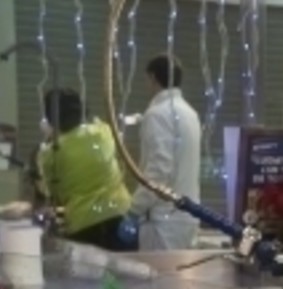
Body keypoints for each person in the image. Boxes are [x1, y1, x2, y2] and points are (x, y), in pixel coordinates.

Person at [35, 89, 134, 251]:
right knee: (128, 271)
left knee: (90, 275)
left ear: (51, 120)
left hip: (84, 224)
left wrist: (50, 137)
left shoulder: (50, 154)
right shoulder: (103, 132)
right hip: (121, 214)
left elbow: (53, 192)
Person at [131, 54, 202, 250]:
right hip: (187, 216)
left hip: (163, 222)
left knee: (159, 279)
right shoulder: (190, 113)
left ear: (153, 77)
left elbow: (159, 169)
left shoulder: (157, 114)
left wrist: (134, 209)